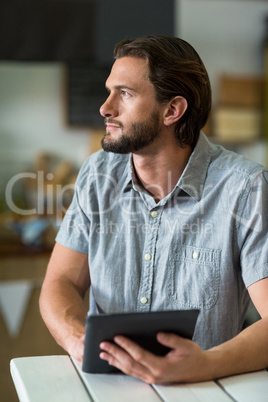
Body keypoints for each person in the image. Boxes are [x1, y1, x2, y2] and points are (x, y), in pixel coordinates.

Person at [39, 35, 268, 384]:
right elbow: (61, 281)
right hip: (106, 388)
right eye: (109, 91)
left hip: (203, 390)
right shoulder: (97, 174)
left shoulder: (247, 188)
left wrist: (204, 364)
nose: (105, 107)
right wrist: (81, 342)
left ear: (172, 110)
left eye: (125, 94)